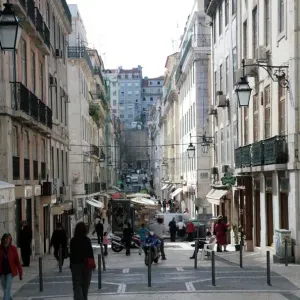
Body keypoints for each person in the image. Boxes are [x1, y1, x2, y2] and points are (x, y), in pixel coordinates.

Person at [70, 222, 95, 300]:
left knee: (77, 285)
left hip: (76, 265)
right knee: (85, 286)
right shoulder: (87, 240)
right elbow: (90, 253)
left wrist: (71, 265)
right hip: (86, 265)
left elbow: (72, 254)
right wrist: (93, 264)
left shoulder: (73, 241)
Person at [0, 233, 23, 300]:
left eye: (9, 238)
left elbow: (18, 262)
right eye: (6, 238)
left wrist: (20, 273)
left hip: (10, 272)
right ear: (3, 239)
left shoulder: (13, 249)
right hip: (2, 272)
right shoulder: (0, 248)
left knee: (7, 289)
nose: (8, 240)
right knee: (5, 289)